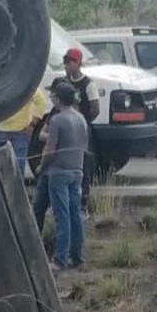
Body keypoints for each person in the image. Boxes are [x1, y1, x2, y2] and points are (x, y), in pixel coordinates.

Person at [40, 81, 89, 271]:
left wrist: (42, 167)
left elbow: (50, 149)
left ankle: (60, 259)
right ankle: (77, 257)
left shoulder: (57, 120)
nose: (51, 97)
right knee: (75, 213)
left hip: (58, 172)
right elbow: (83, 146)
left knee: (62, 216)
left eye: (53, 95)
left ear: (58, 99)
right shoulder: (80, 118)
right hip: (77, 170)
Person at [54, 48, 99, 213]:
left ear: (78, 63)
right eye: (65, 62)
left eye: (70, 62)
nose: (67, 65)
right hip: (65, 127)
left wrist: (84, 122)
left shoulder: (88, 84)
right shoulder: (64, 82)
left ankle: (83, 202)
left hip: (82, 127)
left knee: (83, 164)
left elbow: (95, 109)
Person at [0, 87, 46, 182]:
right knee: (1, 168)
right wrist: (32, 125)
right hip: (7, 131)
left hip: (17, 131)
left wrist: (32, 125)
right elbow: (41, 102)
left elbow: (41, 101)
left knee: (2, 168)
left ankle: (10, 193)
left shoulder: (21, 84)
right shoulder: (22, 84)